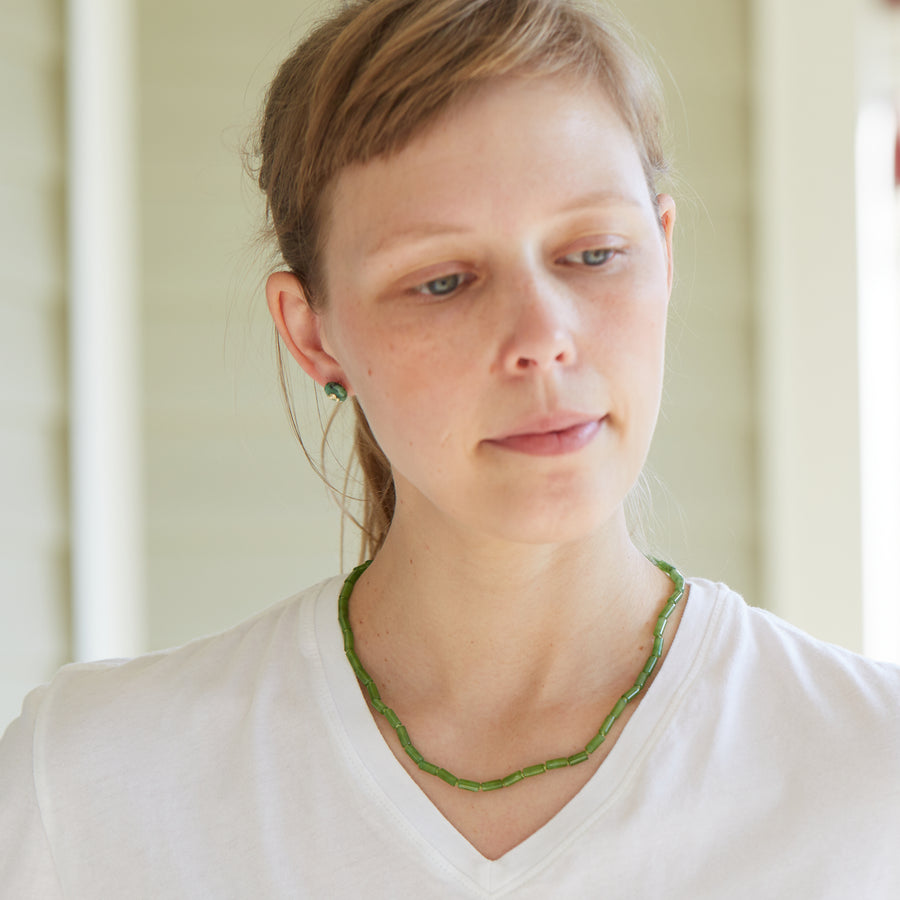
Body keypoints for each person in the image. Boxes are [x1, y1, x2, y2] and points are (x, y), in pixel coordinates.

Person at [2, 0, 898, 896]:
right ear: (312, 333)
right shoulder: (90, 789)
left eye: (592, 254)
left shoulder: (871, 776)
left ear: (663, 254)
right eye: (442, 281)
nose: (543, 336)